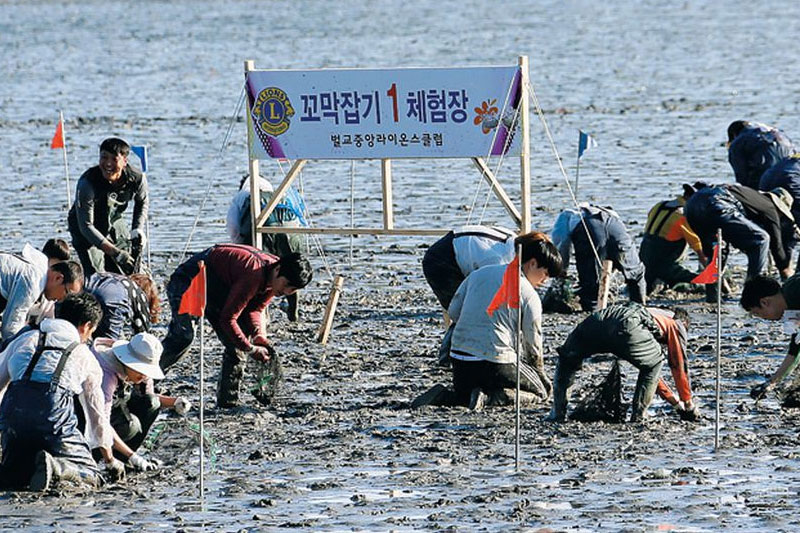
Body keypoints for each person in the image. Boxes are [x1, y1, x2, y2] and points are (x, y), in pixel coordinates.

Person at [412, 232, 562, 409]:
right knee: (541, 392)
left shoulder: (478, 274)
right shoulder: (529, 294)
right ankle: (493, 398)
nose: (544, 281)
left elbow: (453, 312)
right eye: (545, 274)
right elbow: (533, 342)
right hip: (495, 361)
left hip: (460, 362)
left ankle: (447, 396)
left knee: (465, 395)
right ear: (533, 263)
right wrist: (539, 374)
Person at [160, 244, 313, 407]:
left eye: (293, 290)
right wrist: (251, 349)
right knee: (183, 337)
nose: (287, 291)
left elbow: (255, 309)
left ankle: (228, 402)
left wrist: (258, 335)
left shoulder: (274, 281)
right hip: (191, 279)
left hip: (221, 288)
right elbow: (228, 319)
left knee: (237, 344)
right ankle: (146, 380)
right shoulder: (253, 275)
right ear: (278, 270)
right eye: (287, 285)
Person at [0, 293, 123, 491]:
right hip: (53, 421)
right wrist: (109, 459)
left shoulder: (24, 339)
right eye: (91, 332)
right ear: (86, 326)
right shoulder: (84, 355)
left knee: (14, 479)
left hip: (13, 420)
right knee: (93, 475)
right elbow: (96, 415)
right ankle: (58, 468)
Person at [547, 302, 697, 423]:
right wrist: (688, 404)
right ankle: (639, 416)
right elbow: (678, 365)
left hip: (598, 319)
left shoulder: (653, 313)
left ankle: (557, 414)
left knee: (567, 357)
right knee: (655, 362)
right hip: (628, 323)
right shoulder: (676, 323)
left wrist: (676, 404)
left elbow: (652, 377)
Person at [684, 183, 797, 301]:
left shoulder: (751, 197)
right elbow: (776, 244)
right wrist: (785, 268)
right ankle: (752, 294)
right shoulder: (770, 207)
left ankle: (713, 297)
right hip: (718, 202)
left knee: (717, 251)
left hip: (692, 206)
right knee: (761, 240)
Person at [226, 175, 306, 321]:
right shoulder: (277, 195)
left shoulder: (242, 196)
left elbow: (234, 228)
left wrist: (243, 249)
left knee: (261, 273)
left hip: (261, 233)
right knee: (291, 271)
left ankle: (261, 314)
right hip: (290, 233)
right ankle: (293, 309)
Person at [89, 332, 173, 468]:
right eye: (140, 369)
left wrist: (175, 402)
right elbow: (100, 422)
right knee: (130, 427)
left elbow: (149, 396)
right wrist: (132, 457)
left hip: (116, 407)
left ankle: (124, 458)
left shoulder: (141, 372)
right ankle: (102, 457)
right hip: (89, 418)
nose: (144, 375)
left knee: (152, 403)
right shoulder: (106, 374)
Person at [68, 137, 148, 277]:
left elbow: (142, 202)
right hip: (86, 229)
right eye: (104, 157)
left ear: (124, 161)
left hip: (115, 220)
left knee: (128, 271)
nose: (108, 164)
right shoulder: (88, 183)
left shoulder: (137, 178)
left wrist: (138, 228)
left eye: (114, 159)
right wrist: (114, 252)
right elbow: (86, 225)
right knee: (97, 276)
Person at [551, 203, 646, 311]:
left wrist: (562, 270)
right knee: (636, 274)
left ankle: (593, 314)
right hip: (616, 227)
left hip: (589, 229)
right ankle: (640, 308)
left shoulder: (565, 215)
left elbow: (562, 243)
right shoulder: (604, 210)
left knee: (591, 285)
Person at [0, 246, 84, 347]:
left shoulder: (41, 266)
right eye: (66, 293)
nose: (62, 300)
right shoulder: (34, 282)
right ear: (58, 278)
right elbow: (10, 327)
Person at [422, 225, 516, 310]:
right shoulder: (496, 260)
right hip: (441, 259)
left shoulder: (513, 241)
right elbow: (490, 292)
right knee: (463, 311)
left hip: (462, 243)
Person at [740, 274, 800, 401]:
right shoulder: (791, 306)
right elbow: (795, 351)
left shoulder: (795, 290)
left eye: (758, 313)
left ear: (764, 302)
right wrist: (771, 383)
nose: (763, 318)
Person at [639, 186, 707, 294]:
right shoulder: (682, 216)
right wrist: (711, 273)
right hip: (664, 265)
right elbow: (699, 249)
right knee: (700, 282)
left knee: (646, 285)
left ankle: (659, 283)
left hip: (643, 259)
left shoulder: (659, 205)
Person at [84, 272, 158, 340]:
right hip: (113, 301)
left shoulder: (118, 279)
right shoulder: (139, 295)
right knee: (107, 343)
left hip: (88, 290)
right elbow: (143, 336)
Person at [727, 120, 795, 189]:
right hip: (792, 179)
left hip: (765, 184)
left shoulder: (738, 142)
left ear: (734, 135)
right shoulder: (780, 133)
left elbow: (741, 176)